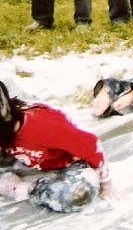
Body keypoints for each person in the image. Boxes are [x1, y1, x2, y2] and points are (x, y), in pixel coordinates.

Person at [0, 81, 115, 212]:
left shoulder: (39, 124)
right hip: (26, 160)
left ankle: (22, 188)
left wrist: (106, 184)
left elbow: (91, 144)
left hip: (69, 162)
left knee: (77, 195)